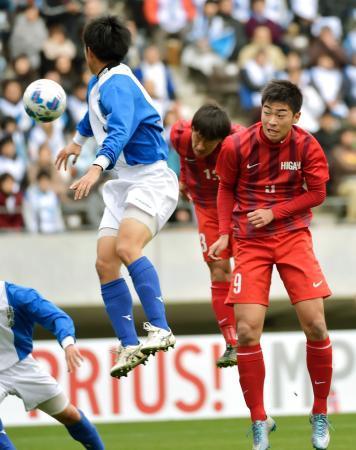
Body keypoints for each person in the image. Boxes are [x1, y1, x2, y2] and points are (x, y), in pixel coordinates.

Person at [209, 80, 333, 450]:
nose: (272, 120)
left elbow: (318, 193)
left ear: (295, 117)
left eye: (281, 114)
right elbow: (224, 188)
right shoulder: (236, 145)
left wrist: (275, 212)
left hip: (293, 236)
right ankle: (259, 419)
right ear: (259, 110)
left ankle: (320, 412)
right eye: (267, 112)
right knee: (246, 332)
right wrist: (224, 233)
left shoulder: (308, 145)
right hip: (249, 239)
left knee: (316, 325)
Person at [55, 16, 179, 379]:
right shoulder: (102, 81)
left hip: (151, 177)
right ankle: (128, 344)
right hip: (126, 180)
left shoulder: (118, 84)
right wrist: (77, 141)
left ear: (89, 51)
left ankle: (160, 327)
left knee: (127, 247)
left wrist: (95, 167)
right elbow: (93, 116)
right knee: (105, 262)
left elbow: (121, 128)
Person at [170, 103, 241, 368]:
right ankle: (232, 342)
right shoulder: (179, 134)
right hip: (207, 209)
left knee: (245, 272)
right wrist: (182, 179)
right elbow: (183, 159)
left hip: (238, 207)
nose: (199, 146)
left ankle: (249, 334)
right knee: (219, 269)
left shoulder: (239, 142)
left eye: (208, 143)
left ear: (221, 141)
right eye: (198, 137)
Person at [0, 280, 105, 450]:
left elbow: (57, 317)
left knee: (69, 415)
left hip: (21, 366)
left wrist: (68, 343)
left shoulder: (17, 296)